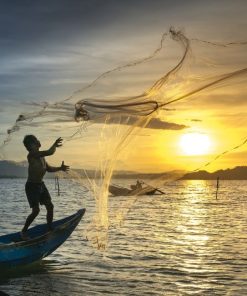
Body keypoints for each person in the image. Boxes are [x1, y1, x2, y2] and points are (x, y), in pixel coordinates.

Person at [21, 135, 69, 240]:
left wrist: (60, 168)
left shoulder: (41, 156)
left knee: (50, 206)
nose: (38, 141)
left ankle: (49, 228)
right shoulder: (32, 155)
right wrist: (55, 145)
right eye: (35, 141)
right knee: (36, 211)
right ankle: (24, 231)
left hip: (40, 185)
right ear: (30, 146)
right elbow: (49, 152)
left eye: (37, 139)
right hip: (32, 186)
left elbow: (49, 169)